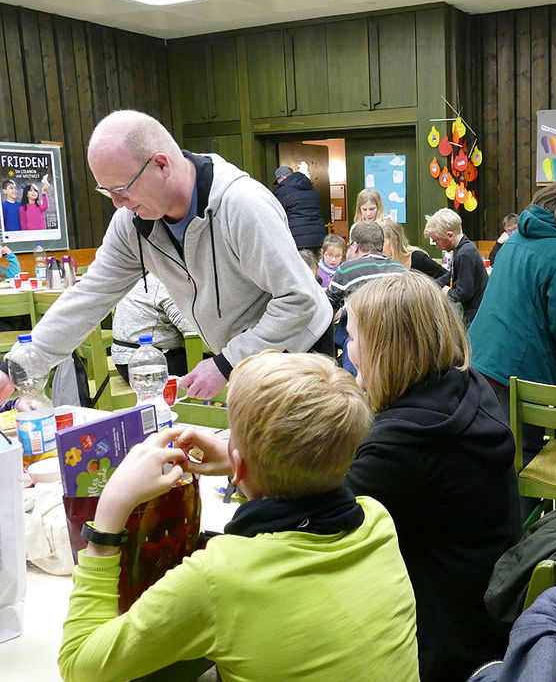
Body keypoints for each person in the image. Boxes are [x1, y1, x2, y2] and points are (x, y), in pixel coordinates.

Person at [57, 351, 420, 682]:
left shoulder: (219, 578)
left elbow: (79, 667)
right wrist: (241, 463)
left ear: (239, 466)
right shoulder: (376, 520)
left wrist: (109, 514)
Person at [0, 110, 332, 403]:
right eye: (107, 192)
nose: (117, 203)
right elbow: (89, 296)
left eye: (122, 189)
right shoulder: (132, 222)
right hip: (246, 359)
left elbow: (299, 300)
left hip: (301, 351)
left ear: (161, 164)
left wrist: (228, 362)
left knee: (300, 466)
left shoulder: (241, 205)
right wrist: (15, 368)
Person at [343, 271, 521, 682]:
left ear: (385, 350)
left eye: (352, 339)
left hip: (440, 645)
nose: (346, 350)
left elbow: (314, 526)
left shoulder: (403, 445)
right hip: (488, 614)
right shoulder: (467, 389)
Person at [468, 172, 556, 467]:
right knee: (525, 459)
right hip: (517, 370)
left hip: (481, 358)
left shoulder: (517, 237)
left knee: (497, 453)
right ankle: (522, 513)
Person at [326, 220, 405, 374]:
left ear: (355, 246)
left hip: (362, 342)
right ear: (381, 246)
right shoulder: (400, 269)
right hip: (396, 339)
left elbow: (327, 306)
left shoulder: (347, 269)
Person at [112, 273, 196, 383]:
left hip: (124, 359)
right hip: (147, 364)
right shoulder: (162, 283)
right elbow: (190, 327)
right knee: (217, 366)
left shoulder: (138, 276)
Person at [425, 208, 488, 325]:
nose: (437, 246)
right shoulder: (462, 249)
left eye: (437, 241)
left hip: (475, 315)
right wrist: (432, 284)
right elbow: (452, 275)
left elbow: (464, 293)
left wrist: (447, 293)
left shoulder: (465, 254)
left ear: (449, 235)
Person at [272, 165, 327, 254]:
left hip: (296, 239)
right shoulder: (313, 190)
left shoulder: (281, 192)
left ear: (281, 178)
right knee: (315, 266)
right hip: (319, 238)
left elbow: (275, 215)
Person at [381, 220, 447, 281]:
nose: (378, 246)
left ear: (396, 240)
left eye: (382, 241)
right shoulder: (378, 263)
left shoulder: (418, 258)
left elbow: (448, 277)